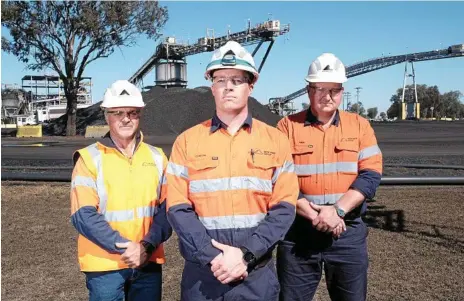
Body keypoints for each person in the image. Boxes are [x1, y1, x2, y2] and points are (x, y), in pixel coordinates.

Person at [166, 41, 299, 301]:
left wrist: (246, 255)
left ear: (251, 86)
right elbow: (177, 207)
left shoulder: (276, 141)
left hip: (255, 276)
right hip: (204, 277)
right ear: (211, 86)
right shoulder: (187, 141)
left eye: (237, 79)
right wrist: (213, 257)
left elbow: (284, 208)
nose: (228, 86)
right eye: (220, 79)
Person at [276, 53, 383, 301]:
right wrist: (316, 216)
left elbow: (370, 174)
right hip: (298, 233)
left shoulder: (359, 126)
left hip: (347, 231)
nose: (327, 96)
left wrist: (337, 212)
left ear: (342, 91)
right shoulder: (287, 127)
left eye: (334, 90)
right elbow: (280, 179)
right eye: (320, 89)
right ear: (308, 90)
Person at [70, 80, 172, 301]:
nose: (126, 118)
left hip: (148, 261)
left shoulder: (157, 157)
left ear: (140, 114)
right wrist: (128, 248)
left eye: (132, 112)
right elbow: (83, 216)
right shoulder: (89, 159)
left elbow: (168, 209)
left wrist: (146, 246)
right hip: (104, 266)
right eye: (118, 112)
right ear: (106, 115)